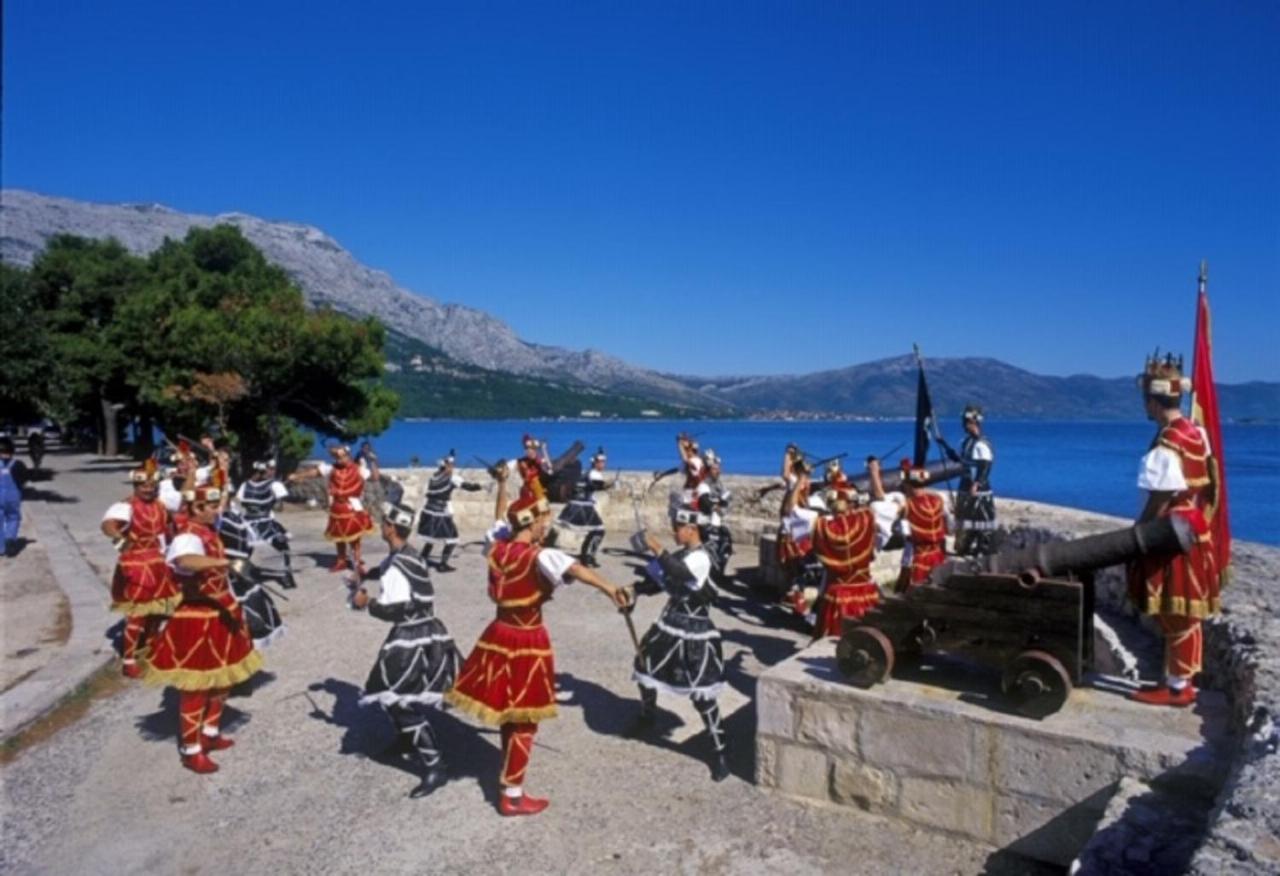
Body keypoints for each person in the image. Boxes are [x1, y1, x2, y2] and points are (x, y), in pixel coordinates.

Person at [446, 487, 630, 816]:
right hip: (527, 640)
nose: (547, 525)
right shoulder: (540, 556)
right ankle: (512, 795)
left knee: (507, 711)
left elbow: (498, 523)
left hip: (497, 634)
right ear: (531, 523)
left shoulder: (497, 550)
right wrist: (609, 588)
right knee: (527, 718)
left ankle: (507, 776)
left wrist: (504, 487)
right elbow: (574, 569)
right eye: (543, 520)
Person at [144, 480, 263, 774]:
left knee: (222, 681)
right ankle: (191, 748)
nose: (216, 510)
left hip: (221, 614)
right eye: (210, 507)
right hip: (196, 618)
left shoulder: (209, 530)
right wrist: (224, 562)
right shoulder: (187, 536)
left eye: (216, 505)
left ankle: (209, 732)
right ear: (196, 508)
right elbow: (186, 560)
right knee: (196, 687)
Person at [1127, 354, 1221, 707]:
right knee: (1186, 613)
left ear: (1152, 401)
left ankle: (1178, 686)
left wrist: (1141, 529)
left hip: (1171, 532)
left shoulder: (1168, 442)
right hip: (1195, 526)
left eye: (1146, 402)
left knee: (1174, 612)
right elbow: (1209, 481)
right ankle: (1181, 680)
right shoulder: (1197, 433)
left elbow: (1162, 492)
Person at [352, 500, 461, 797]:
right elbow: (387, 569)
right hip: (428, 630)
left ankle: (435, 765)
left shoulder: (397, 567)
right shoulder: (407, 554)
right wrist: (367, 573)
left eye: (383, 522)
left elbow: (394, 610)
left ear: (389, 528)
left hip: (412, 635)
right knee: (389, 693)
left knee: (398, 699)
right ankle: (406, 740)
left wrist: (366, 603)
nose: (381, 526)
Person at [628, 505, 730, 782]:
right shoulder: (683, 553)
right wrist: (633, 590)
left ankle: (719, 751)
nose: (674, 531)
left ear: (691, 529)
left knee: (701, 692)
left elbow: (680, 573)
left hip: (695, 631)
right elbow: (659, 580)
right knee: (645, 666)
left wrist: (656, 548)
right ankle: (648, 716)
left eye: (677, 527)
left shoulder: (701, 558)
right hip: (670, 623)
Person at [101, 459, 181, 675]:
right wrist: (121, 542)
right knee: (138, 614)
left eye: (151, 485)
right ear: (135, 486)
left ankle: (151, 649)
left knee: (158, 611)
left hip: (159, 562)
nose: (148, 489)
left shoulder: (161, 506)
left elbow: (171, 528)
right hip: (136, 564)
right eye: (143, 486)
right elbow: (108, 526)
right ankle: (129, 661)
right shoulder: (126, 506)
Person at [289, 444, 378, 575]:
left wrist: (373, 461)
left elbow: (375, 477)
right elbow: (315, 472)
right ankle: (341, 560)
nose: (340, 459)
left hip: (353, 506)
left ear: (348, 455)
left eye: (343, 456)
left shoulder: (359, 469)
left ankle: (357, 562)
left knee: (354, 538)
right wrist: (298, 476)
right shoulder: (331, 468)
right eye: (337, 457)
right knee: (338, 536)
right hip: (337, 507)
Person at [810, 485, 879, 638]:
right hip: (864, 591)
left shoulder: (824, 527)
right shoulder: (867, 519)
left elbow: (795, 514)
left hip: (839, 595)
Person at [217, 507, 286, 647]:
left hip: (235, 577)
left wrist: (248, 573)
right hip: (215, 583)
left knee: (248, 620)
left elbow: (241, 558)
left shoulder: (231, 517)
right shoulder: (217, 523)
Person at [876, 459, 948, 592]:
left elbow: (881, 499)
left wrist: (874, 472)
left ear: (908, 484)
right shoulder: (938, 499)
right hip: (937, 555)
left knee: (911, 593)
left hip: (917, 557)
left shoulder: (907, 505)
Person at [941, 406, 997, 556]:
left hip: (978, 490)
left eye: (967, 422)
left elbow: (985, 466)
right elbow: (959, 460)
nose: (965, 425)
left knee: (981, 519)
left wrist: (977, 483)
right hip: (965, 486)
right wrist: (945, 447)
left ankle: (983, 548)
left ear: (975, 422)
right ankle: (963, 546)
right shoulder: (965, 442)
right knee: (965, 519)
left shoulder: (982, 444)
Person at [416, 451, 482, 572]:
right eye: (451, 465)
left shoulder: (434, 477)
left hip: (428, 511)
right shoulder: (452, 478)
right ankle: (442, 564)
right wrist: (482, 486)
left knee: (431, 539)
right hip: (440, 514)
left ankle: (422, 560)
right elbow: (470, 487)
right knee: (453, 538)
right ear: (445, 466)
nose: (452, 468)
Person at [235, 458, 296, 587]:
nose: (269, 472)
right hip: (248, 522)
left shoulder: (274, 484)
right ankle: (240, 575)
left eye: (270, 469)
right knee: (243, 549)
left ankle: (287, 573)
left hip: (265, 522)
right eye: (266, 470)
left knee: (282, 544)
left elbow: (283, 500)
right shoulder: (245, 485)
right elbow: (238, 501)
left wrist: (285, 487)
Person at [556, 447, 610, 567]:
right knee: (599, 530)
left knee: (596, 530)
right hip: (583, 507)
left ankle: (586, 555)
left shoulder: (588, 473)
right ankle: (588, 557)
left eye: (603, 462)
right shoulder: (594, 473)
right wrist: (612, 484)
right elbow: (599, 486)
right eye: (601, 462)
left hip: (579, 504)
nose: (603, 464)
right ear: (595, 462)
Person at [701, 450, 734, 583]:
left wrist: (723, 503)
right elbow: (705, 501)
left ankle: (719, 573)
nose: (718, 471)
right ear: (709, 469)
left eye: (718, 469)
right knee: (709, 550)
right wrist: (715, 505)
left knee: (726, 547)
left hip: (718, 521)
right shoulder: (704, 484)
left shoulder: (719, 483)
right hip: (706, 521)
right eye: (715, 469)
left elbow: (726, 497)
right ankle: (707, 576)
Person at [0, 437, 31, 557]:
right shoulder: (18, 464)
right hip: (13, 496)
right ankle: (10, 539)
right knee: (13, 518)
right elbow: (25, 479)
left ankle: (1, 548)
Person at [515, 434, 552, 501]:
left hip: (537, 490)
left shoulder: (538, 460)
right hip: (527, 491)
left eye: (533, 449)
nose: (530, 451)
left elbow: (549, 466)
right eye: (527, 449)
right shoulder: (522, 461)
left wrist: (544, 449)